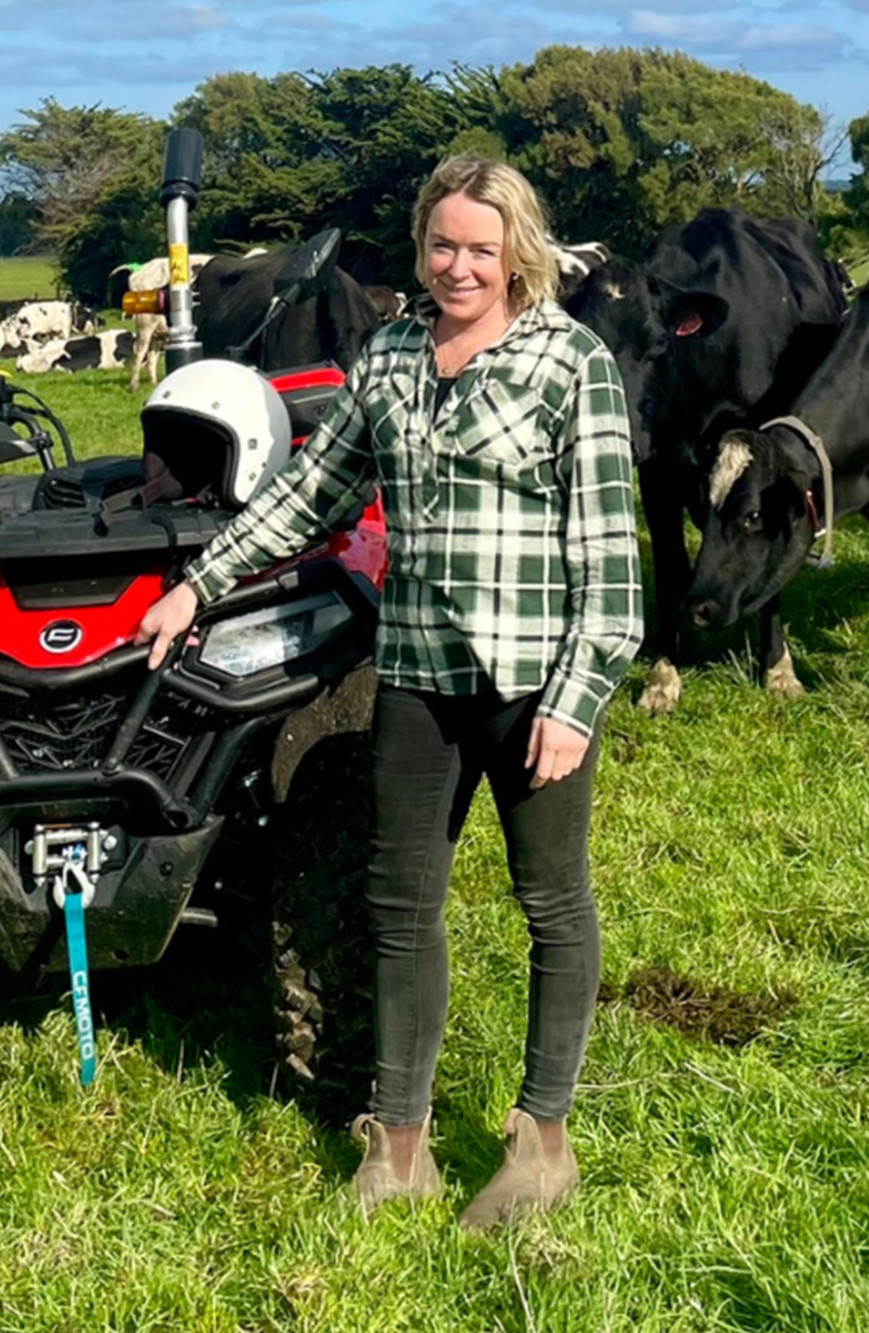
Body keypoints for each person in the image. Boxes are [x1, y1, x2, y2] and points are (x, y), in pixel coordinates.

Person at [134, 157, 642, 1227]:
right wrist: (197, 586)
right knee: (397, 905)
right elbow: (312, 494)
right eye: (442, 245)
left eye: (480, 249)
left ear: (517, 252)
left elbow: (609, 558)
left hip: (532, 681)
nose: (459, 266)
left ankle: (541, 1138)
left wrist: (577, 696)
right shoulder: (392, 356)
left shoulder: (570, 362)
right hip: (416, 674)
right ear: (421, 247)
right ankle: (399, 1142)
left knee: (550, 903)